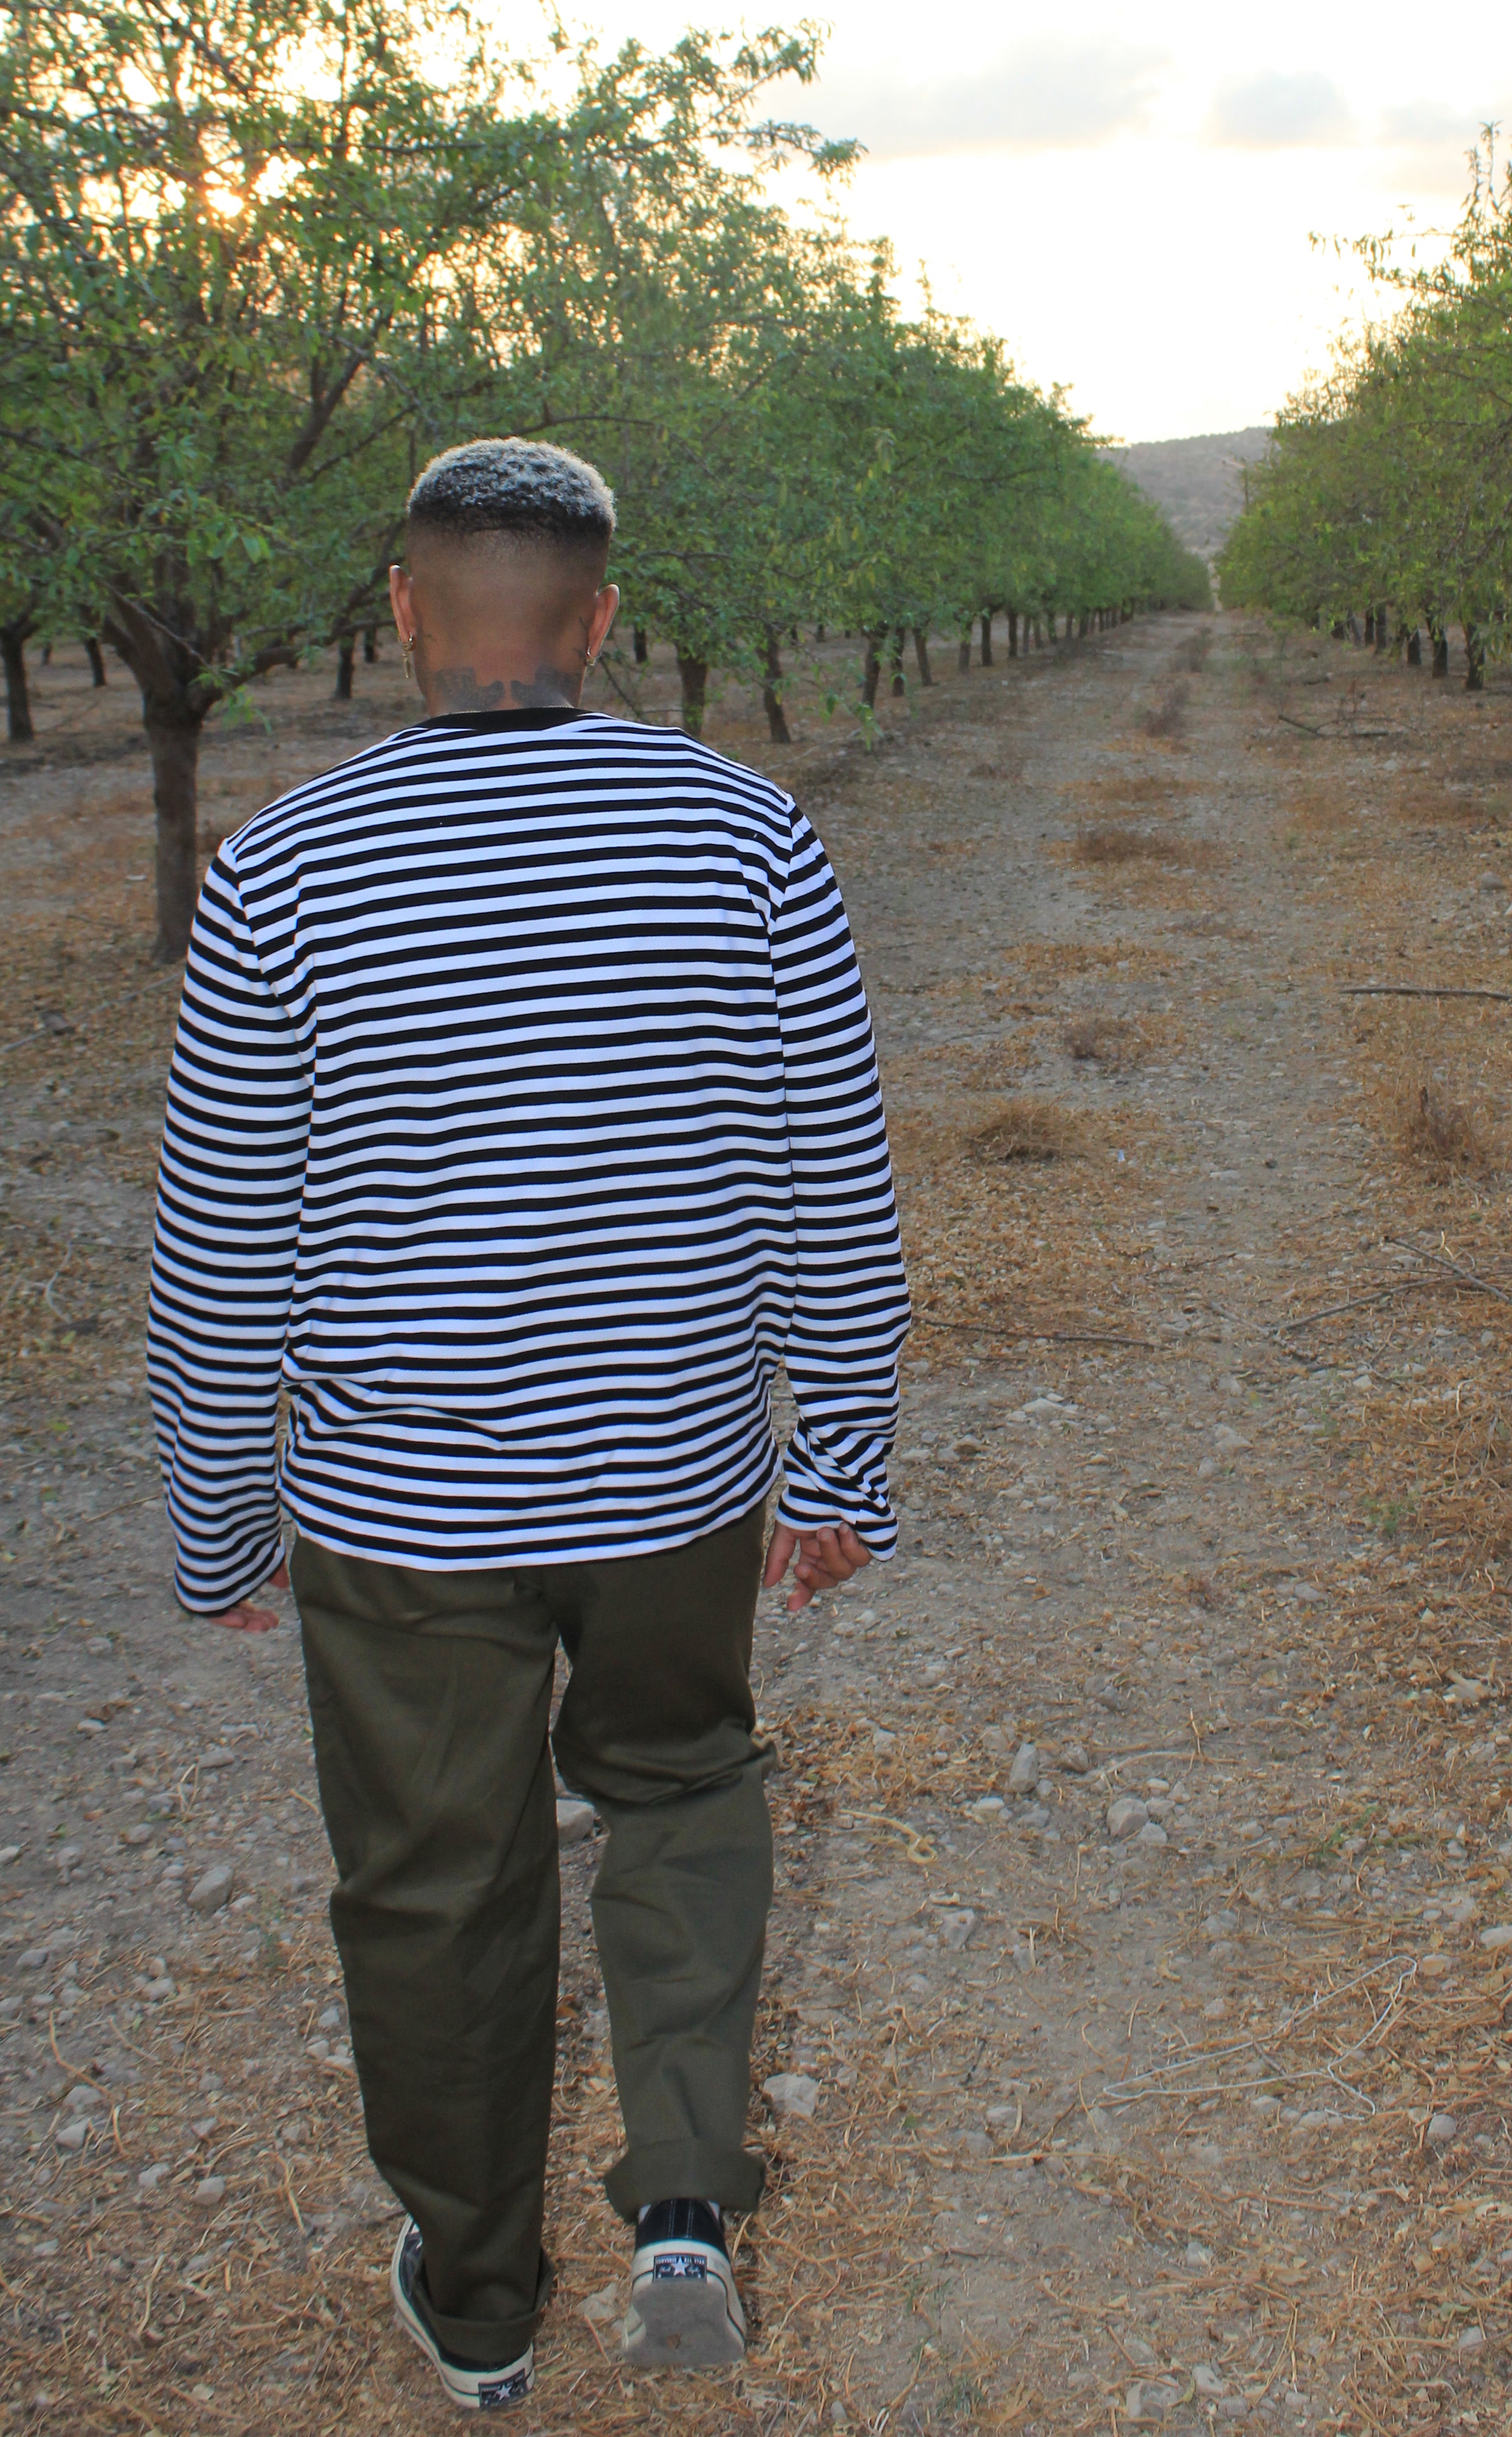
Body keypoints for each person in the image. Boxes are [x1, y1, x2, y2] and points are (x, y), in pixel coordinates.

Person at [146, 438, 907, 2411]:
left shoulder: (281, 871)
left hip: (404, 1517)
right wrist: (842, 1467)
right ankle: (681, 2204)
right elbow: (840, 1178)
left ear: (402, 611)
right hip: (671, 1485)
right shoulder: (746, 837)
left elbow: (221, 1252)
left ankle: (478, 2298)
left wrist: (221, 1525)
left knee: (434, 1883)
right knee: (674, 1791)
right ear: (600, 623)